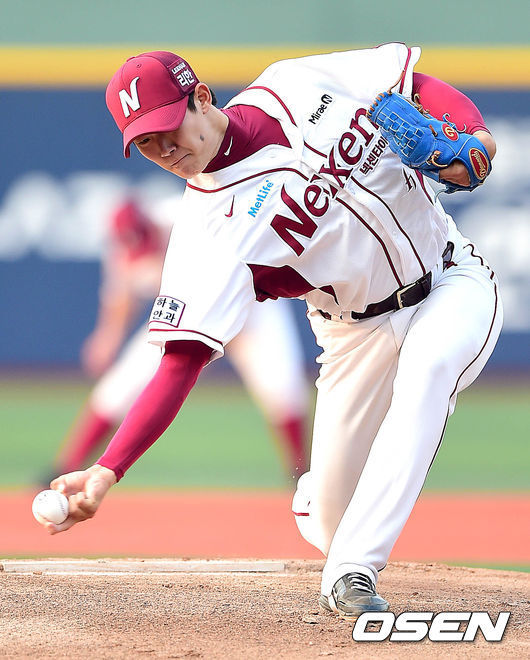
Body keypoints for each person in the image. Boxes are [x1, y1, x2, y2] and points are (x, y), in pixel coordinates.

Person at [36, 44, 502, 620]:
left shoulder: (296, 84)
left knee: (429, 369)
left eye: (167, 127)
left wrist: (476, 139)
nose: (165, 150)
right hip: (354, 334)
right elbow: (179, 364)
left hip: (452, 277)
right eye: (147, 143)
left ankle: (353, 572)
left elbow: (417, 84)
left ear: (200, 97)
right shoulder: (206, 235)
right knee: (330, 523)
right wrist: (108, 469)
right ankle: (321, 509)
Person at [50, 197, 309, 481]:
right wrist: (108, 336)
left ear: (150, 226)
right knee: (119, 387)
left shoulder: (185, 216)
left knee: (283, 389)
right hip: (186, 315)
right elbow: (122, 296)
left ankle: (301, 475)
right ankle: (65, 468)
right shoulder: (121, 251)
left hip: (250, 306)